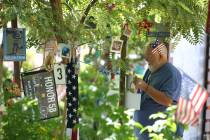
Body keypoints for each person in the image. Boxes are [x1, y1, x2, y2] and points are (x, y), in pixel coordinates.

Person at [133, 39, 184, 140]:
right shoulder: (150, 69)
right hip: (145, 133)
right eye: (146, 55)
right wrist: (134, 91)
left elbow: (167, 100)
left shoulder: (170, 73)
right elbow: (144, 95)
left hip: (160, 134)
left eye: (149, 56)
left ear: (160, 56)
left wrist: (145, 87)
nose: (146, 59)